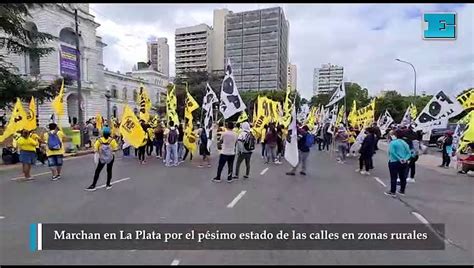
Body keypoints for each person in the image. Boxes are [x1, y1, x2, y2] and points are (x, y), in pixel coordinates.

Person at [85, 127, 119, 191]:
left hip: (102, 158)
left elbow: (95, 149)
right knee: (109, 171)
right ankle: (108, 184)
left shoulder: (99, 140)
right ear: (109, 133)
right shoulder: (112, 140)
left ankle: (93, 185)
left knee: (97, 171)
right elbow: (115, 149)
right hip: (110, 158)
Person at [385, 129, 412, 197]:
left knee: (393, 177)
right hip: (404, 162)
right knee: (403, 177)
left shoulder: (393, 143)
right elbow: (409, 153)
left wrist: (399, 159)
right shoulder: (404, 143)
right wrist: (405, 159)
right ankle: (402, 190)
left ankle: (392, 191)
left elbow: (392, 152)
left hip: (394, 161)